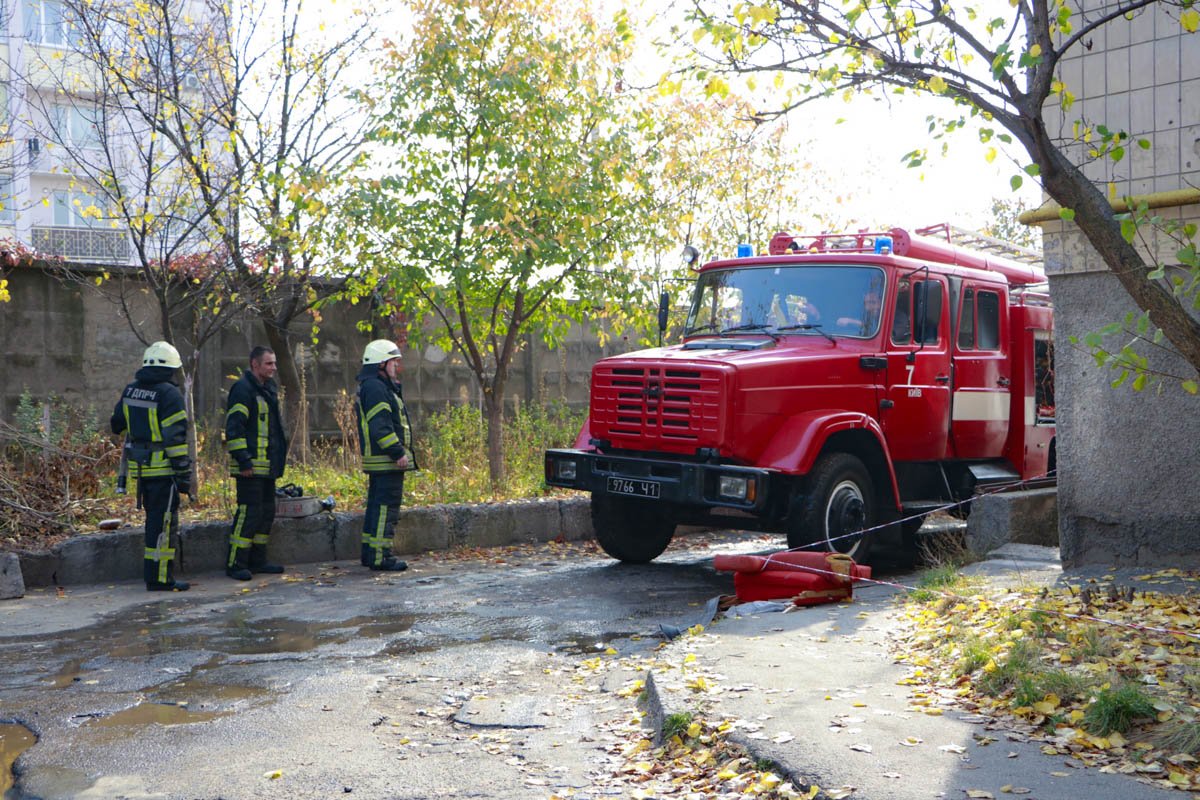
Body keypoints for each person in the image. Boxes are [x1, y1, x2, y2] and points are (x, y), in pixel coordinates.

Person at [111, 341, 191, 592]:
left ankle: (153, 575)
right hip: (164, 470)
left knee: (153, 521)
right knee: (165, 524)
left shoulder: (131, 390)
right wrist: (184, 475)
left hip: (141, 469)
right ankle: (160, 579)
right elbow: (176, 441)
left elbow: (116, 424)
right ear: (170, 368)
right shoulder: (170, 395)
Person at [223, 346, 289, 581]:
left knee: (266, 513)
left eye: (274, 363)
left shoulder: (267, 389)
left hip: (267, 468)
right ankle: (235, 563)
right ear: (254, 364)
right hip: (250, 468)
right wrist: (244, 460)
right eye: (268, 364)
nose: (273, 368)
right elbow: (234, 428)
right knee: (249, 514)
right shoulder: (242, 390)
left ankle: (258, 561)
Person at [355, 339, 417, 571]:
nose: (396, 367)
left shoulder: (377, 385)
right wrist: (398, 452)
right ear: (381, 363)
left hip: (382, 461)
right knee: (385, 509)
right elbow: (380, 426)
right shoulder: (376, 387)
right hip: (386, 460)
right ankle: (381, 557)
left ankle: (371, 554)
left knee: (376, 508)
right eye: (393, 362)